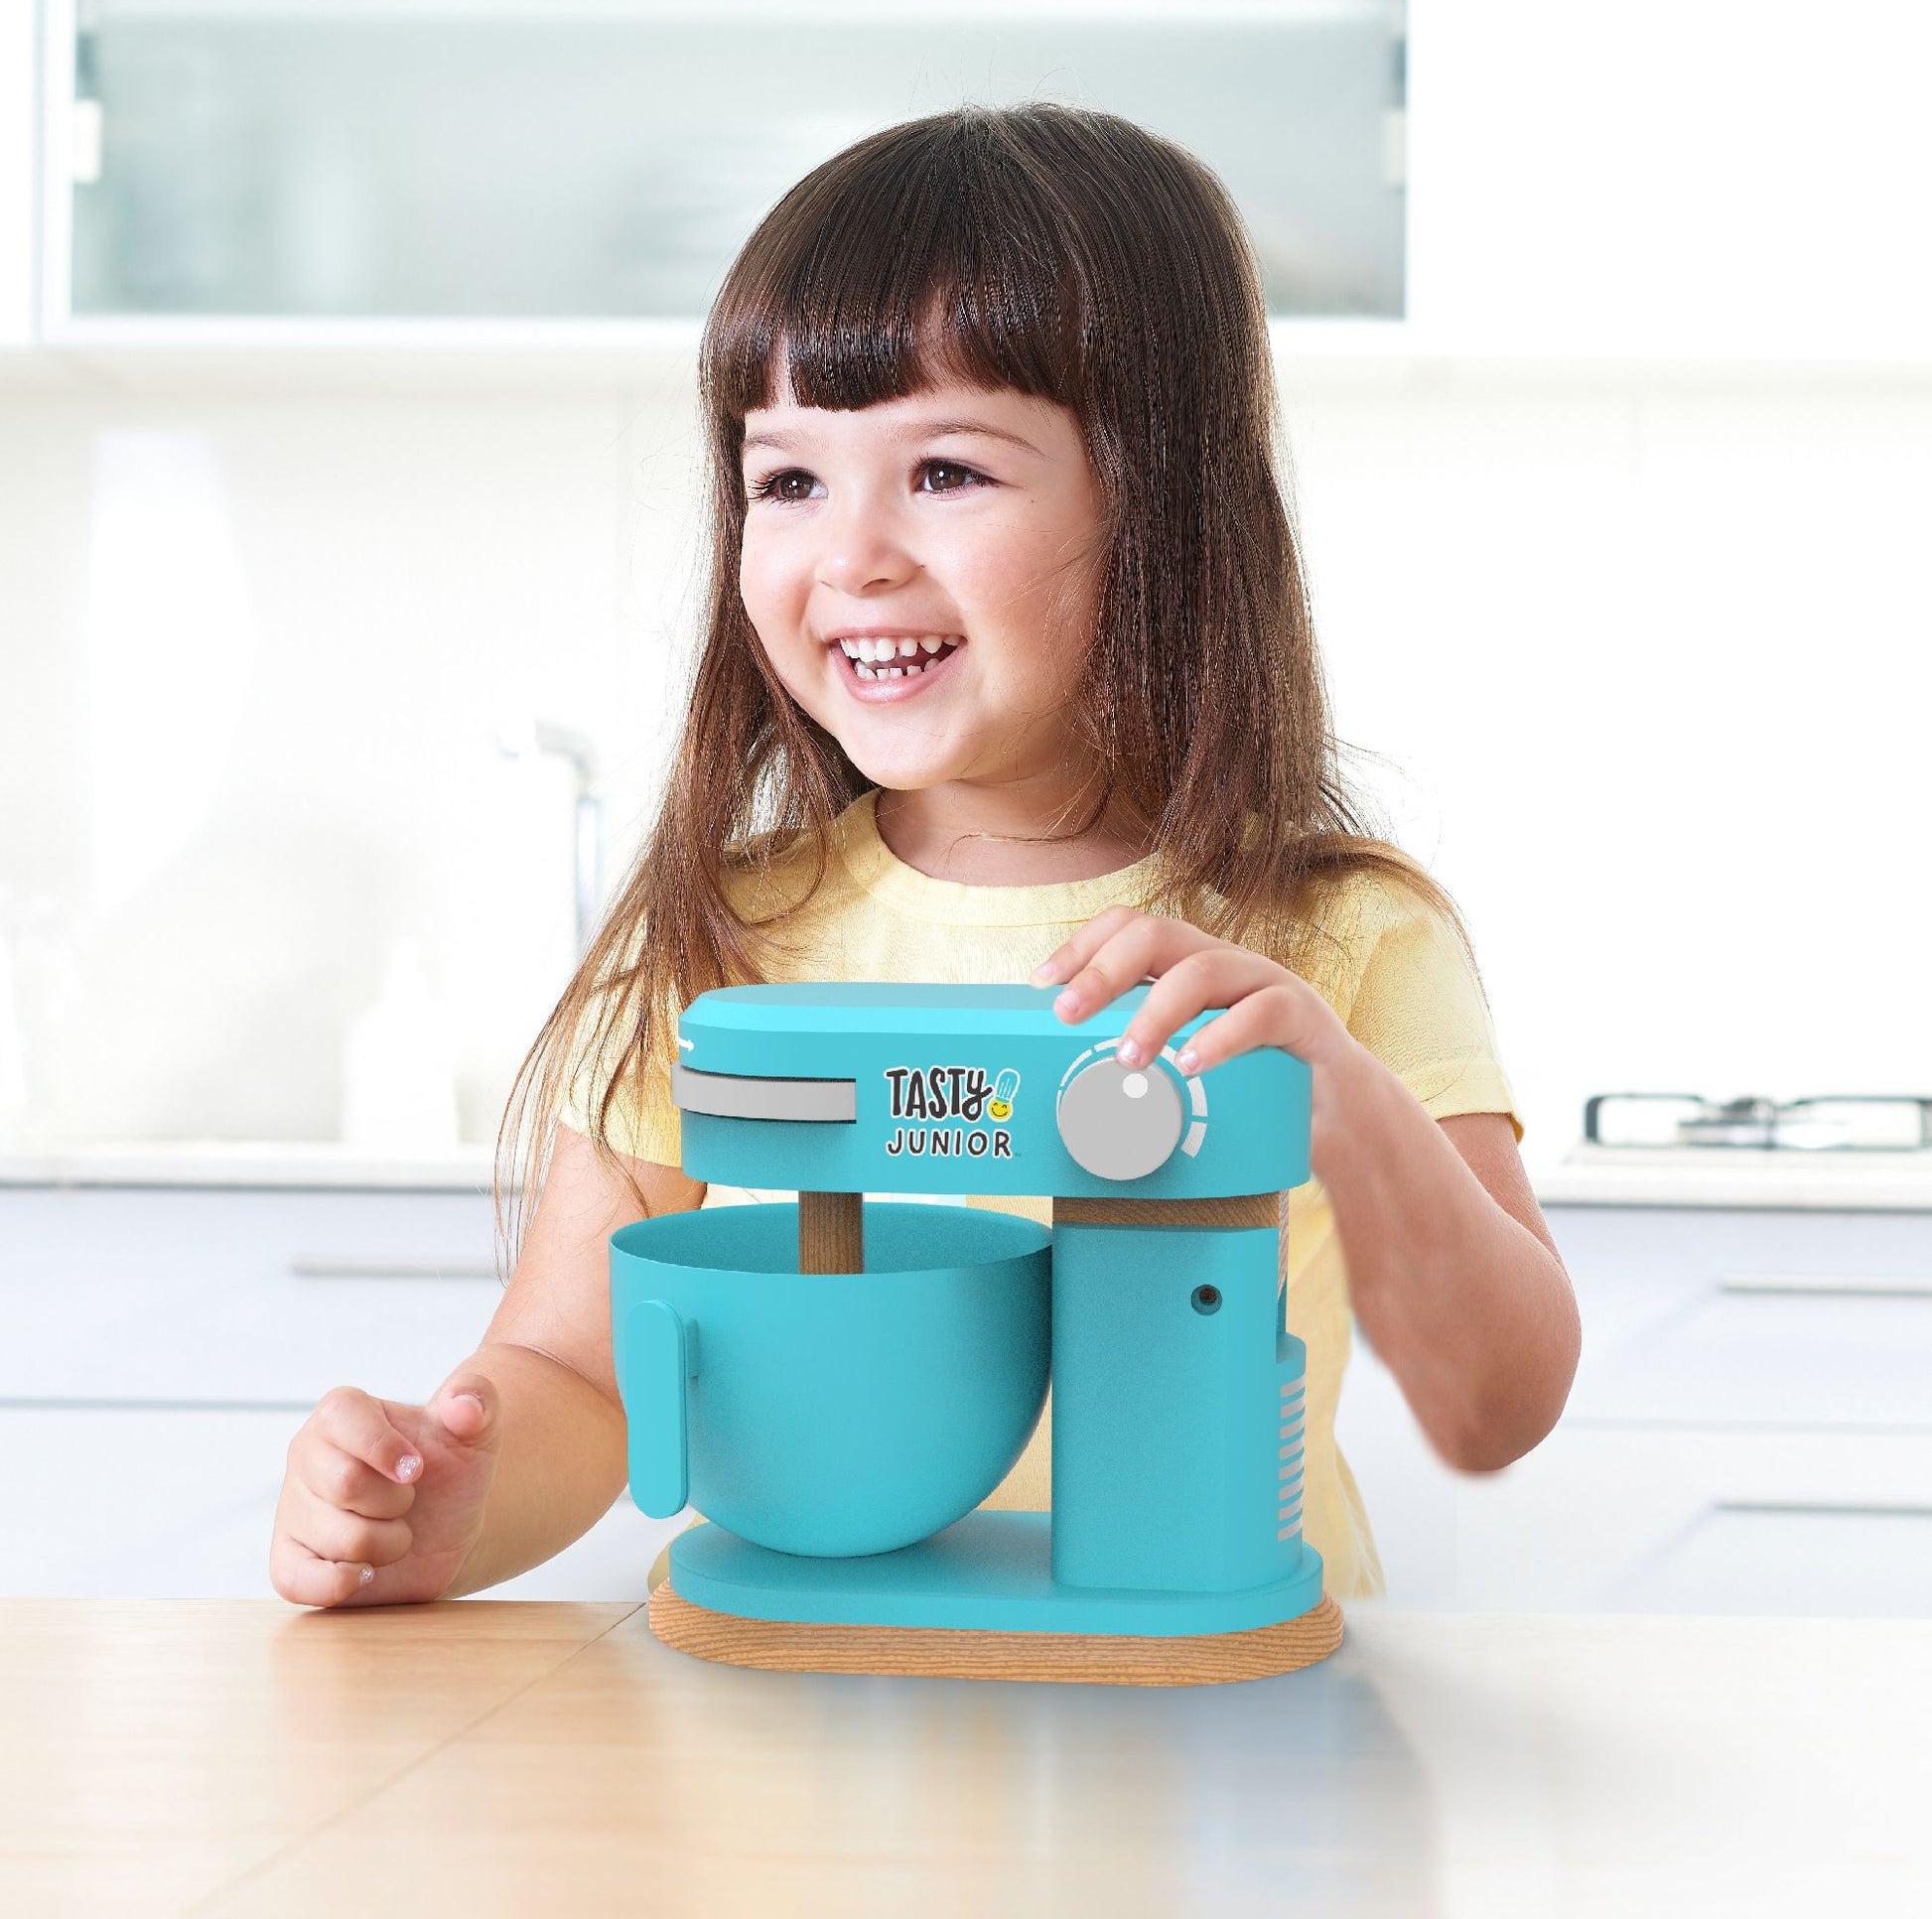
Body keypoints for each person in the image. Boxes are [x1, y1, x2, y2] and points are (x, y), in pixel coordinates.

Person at [269, 101, 1581, 1611]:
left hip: (1213, 1714)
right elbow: (581, 1373)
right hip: (824, 1724)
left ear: (1159, 500)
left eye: (946, 471)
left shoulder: (1340, 937)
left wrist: (1338, 1098)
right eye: (787, 481)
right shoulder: (715, 938)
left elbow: (1500, 1402)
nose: (850, 556)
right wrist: (446, 1498)